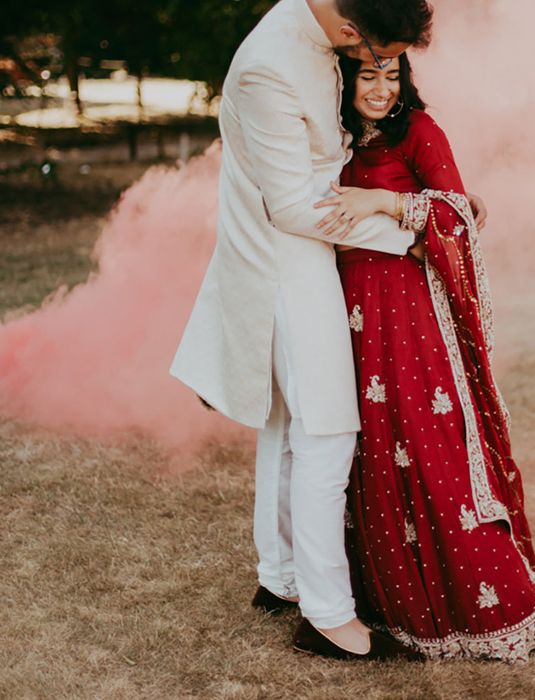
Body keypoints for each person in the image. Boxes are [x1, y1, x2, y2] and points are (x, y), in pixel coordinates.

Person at [170, 0, 487, 661]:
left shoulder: (316, 27)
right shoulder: (270, 67)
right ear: (349, 22)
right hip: (287, 262)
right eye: (368, 45)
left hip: (307, 255)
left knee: (287, 426)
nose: (369, 59)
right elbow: (292, 208)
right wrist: (407, 235)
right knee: (327, 433)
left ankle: (279, 575)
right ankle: (328, 616)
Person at [312, 52, 535, 662]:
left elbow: (457, 216)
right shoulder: (336, 139)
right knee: (368, 447)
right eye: (367, 76)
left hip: (409, 317)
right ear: (346, 83)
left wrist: (385, 204)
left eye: (391, 76)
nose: (379, 89)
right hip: (347, 315)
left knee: (427, 444)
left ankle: (474, 602)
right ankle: (380, 600)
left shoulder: (421, 132)